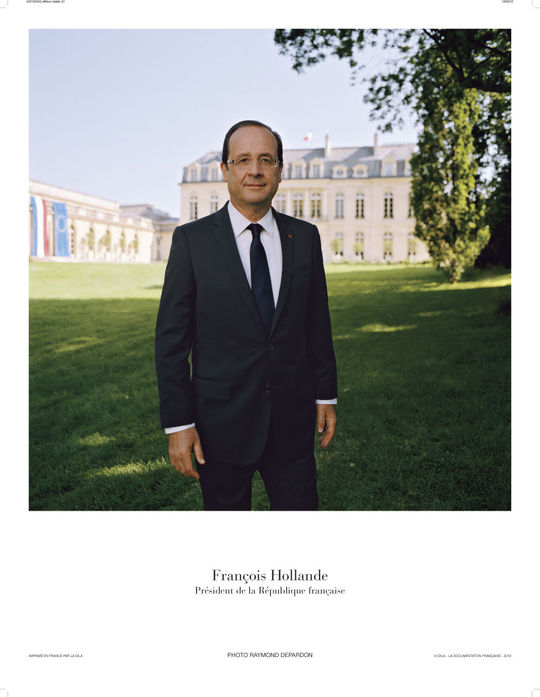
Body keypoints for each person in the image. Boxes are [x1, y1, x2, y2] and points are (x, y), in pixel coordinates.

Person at [155, 119, 337, 510]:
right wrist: (179, 423)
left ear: (280, 171)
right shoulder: (192, 241)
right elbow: (171, 343)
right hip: (219, 424)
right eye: (243, 160)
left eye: (266, 160)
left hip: (291, 422)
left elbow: (317, 324)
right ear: (225, 170)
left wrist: (325, 394)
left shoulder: (305, 237)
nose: (255, 170)